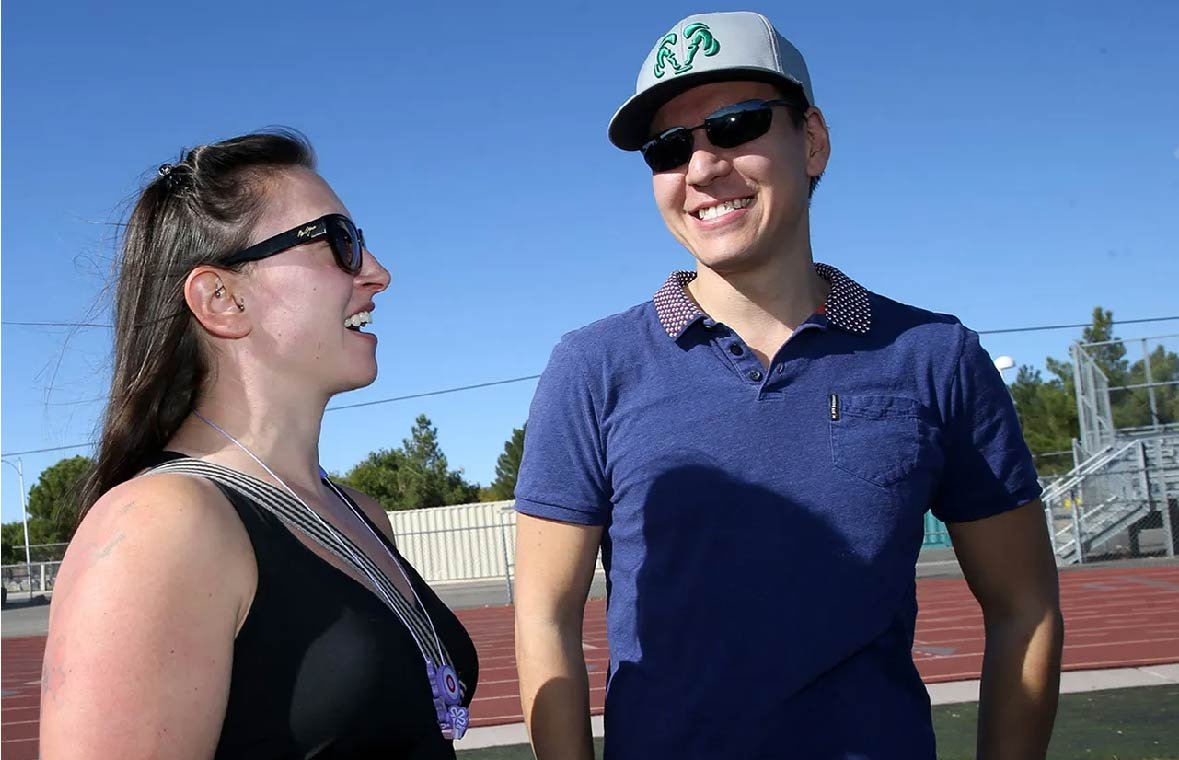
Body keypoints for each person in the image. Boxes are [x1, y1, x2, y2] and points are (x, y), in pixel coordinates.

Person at [513, 11, 1062, 760]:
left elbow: (1024, 606)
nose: (701, 168)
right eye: (668, 148)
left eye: (734, 125)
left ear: (811, 140)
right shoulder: (591, 368)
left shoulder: (936, 357)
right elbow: (544, 619)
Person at [41, 130, 478, 759]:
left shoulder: (361, 514)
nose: (378, 274)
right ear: (221, 299)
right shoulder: (161, 525)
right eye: (339, 242)